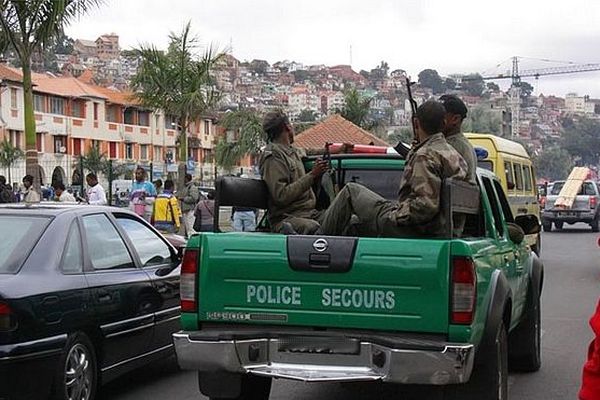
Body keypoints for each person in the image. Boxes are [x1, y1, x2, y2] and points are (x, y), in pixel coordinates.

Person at [319, 100, 469, 238]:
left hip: (416, 229)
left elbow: (426, 206)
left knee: (351, 192)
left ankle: (316, 242)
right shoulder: (454, 155)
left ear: (416, 123)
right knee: (353, 226)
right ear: (443, 123)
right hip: (440, 228)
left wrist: (396, 214)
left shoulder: (425, 155)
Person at [259, 110, 351, 234]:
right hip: (287, 219)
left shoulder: (293, 151)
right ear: (287, 127)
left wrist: (338, 150)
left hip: (309, 214)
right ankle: (386, 215)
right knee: (312, 227)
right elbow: (280, 196)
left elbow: (312, 153)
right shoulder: (274, 157)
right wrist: (312, 175)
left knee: (350, 221)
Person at [439, 94, 478, 236]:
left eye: (442, 116)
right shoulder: (452, 144)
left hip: (446, 228)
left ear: (455, 119)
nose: (437, 120)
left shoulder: (455, 147)